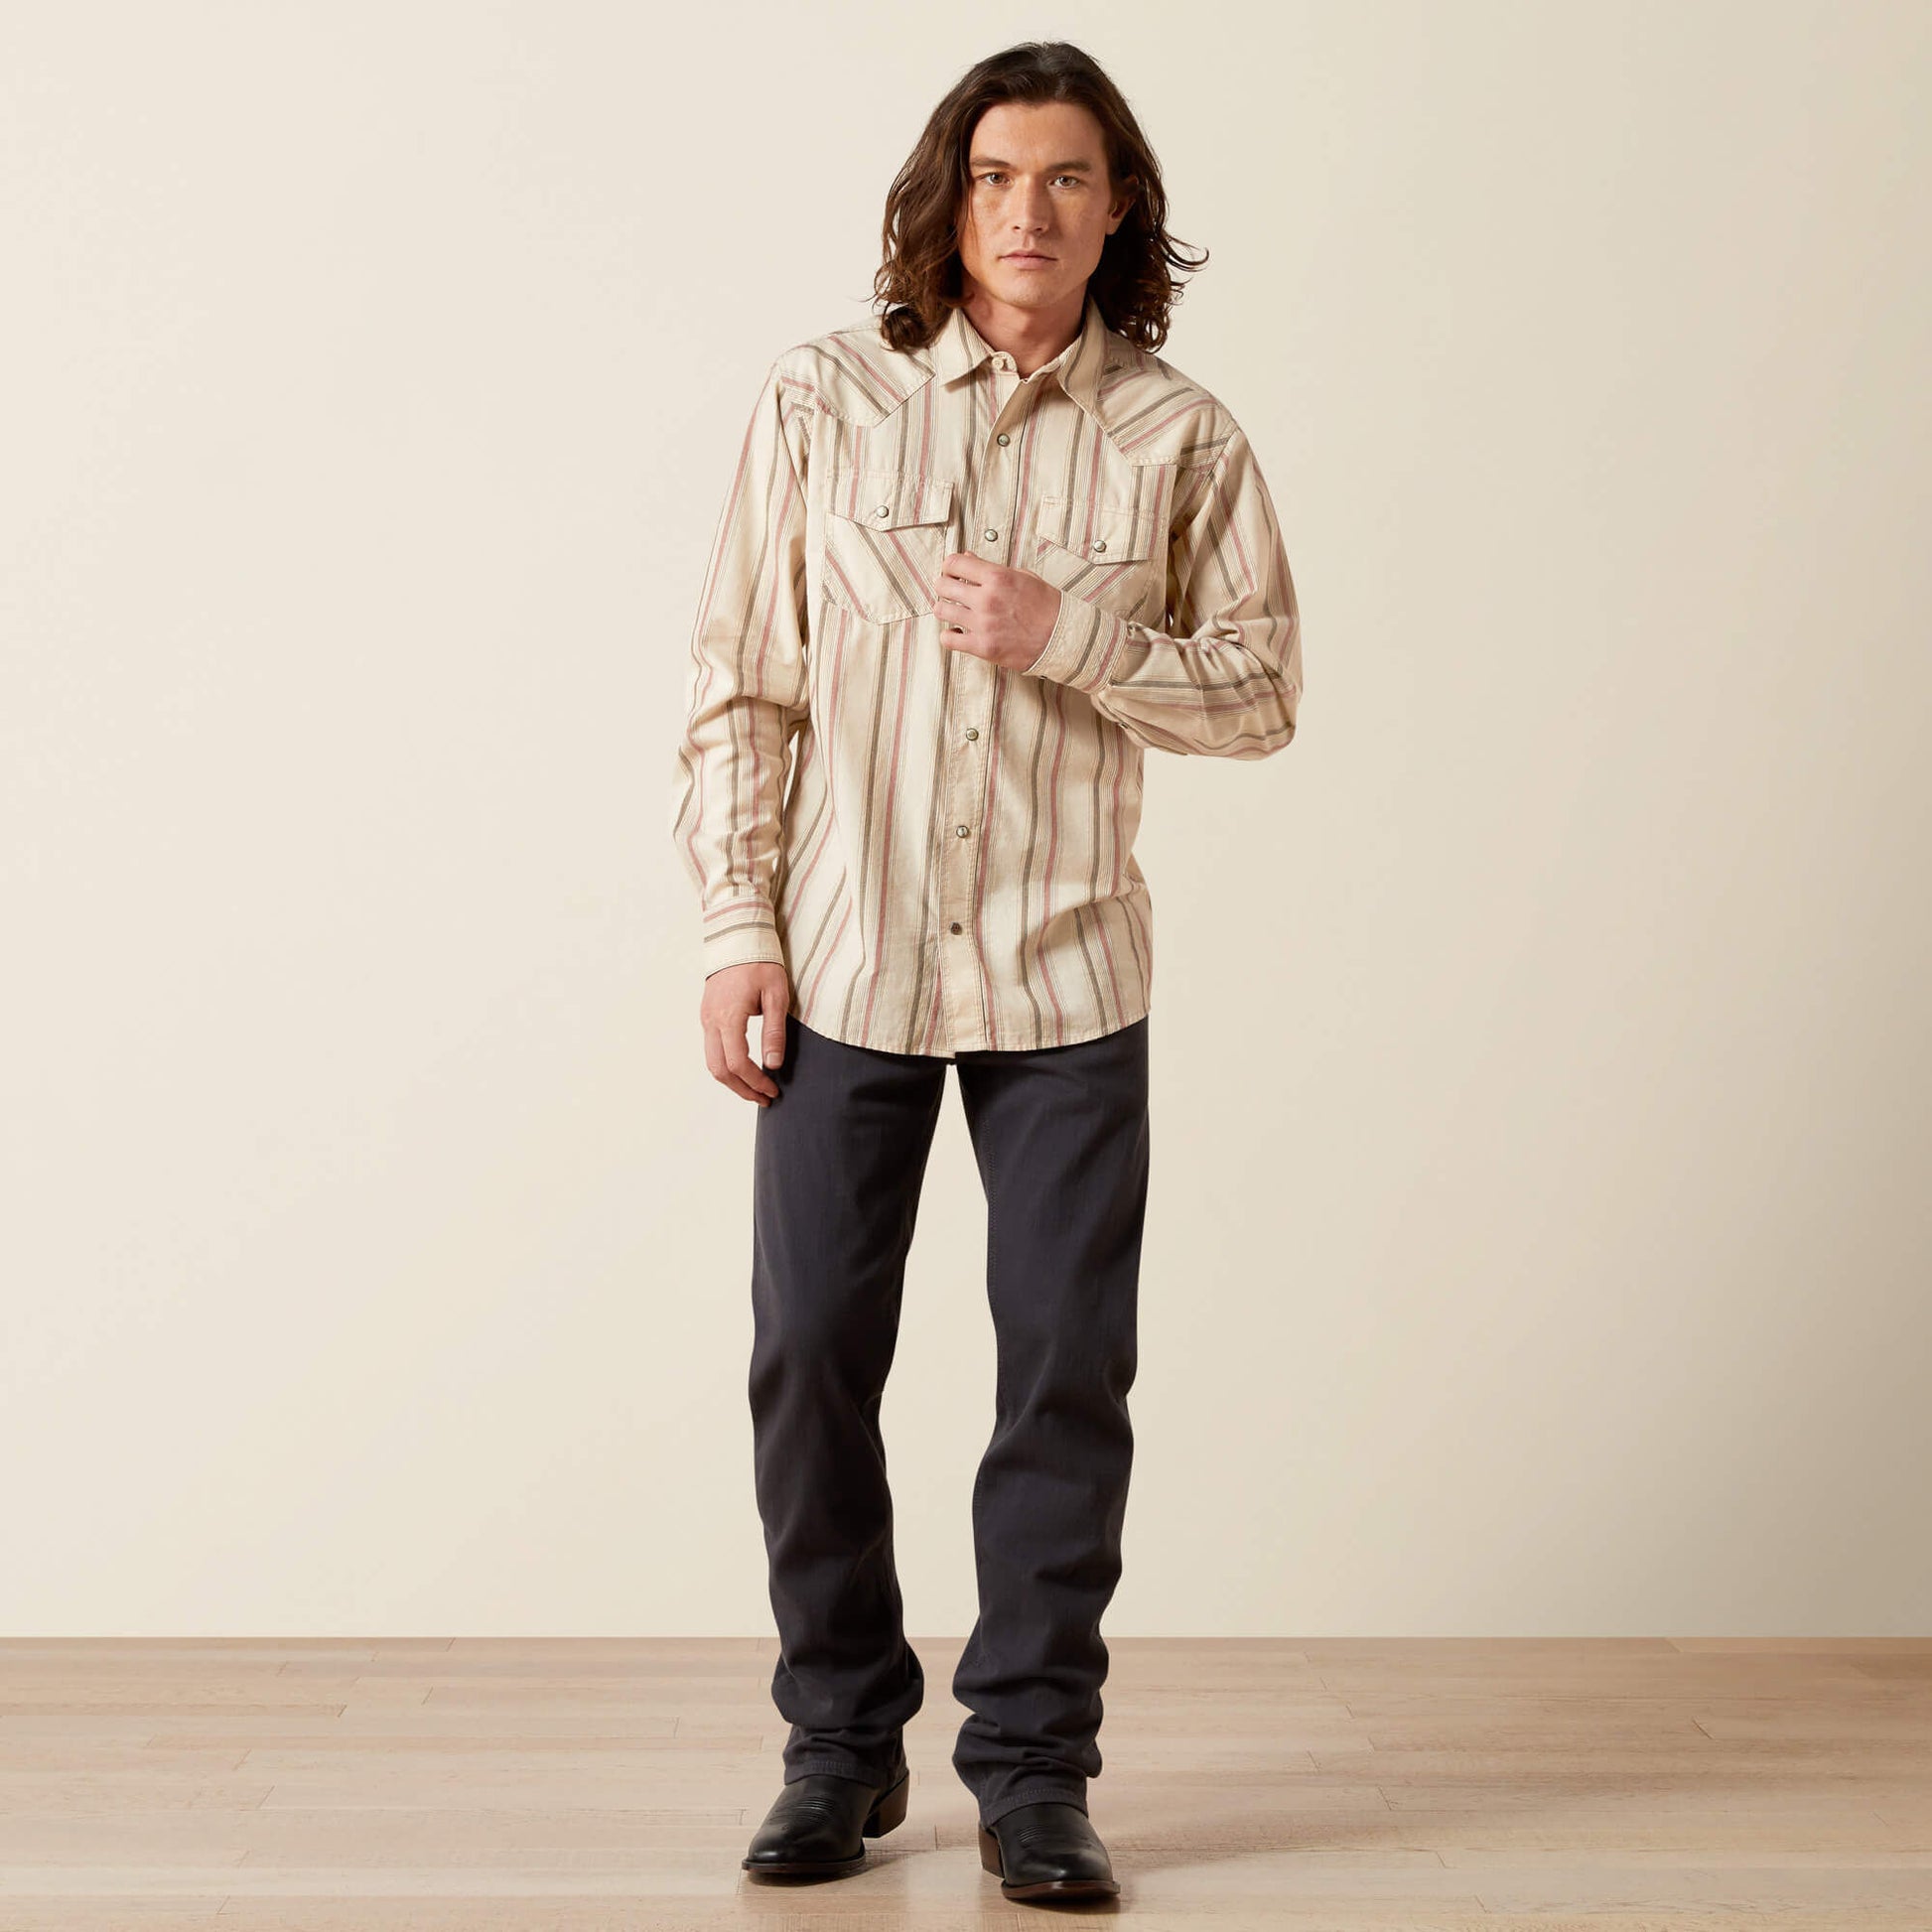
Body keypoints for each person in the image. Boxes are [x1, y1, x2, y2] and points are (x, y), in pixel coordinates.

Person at [670, 39, 1302, 1905]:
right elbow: (739, 682)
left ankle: (1033, 1766)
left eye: (1069, 178)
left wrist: (1071, 631)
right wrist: (737, 928)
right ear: (947, 198)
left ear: (1122, 212)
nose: (1028, 212)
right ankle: (839, 1742)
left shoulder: (1178, 440)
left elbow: (1264, 692)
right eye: (996, 175)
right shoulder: (822, 403)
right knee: (807, 1358)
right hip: (846, 965)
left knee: (1063, 1376)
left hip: (1063, 980)